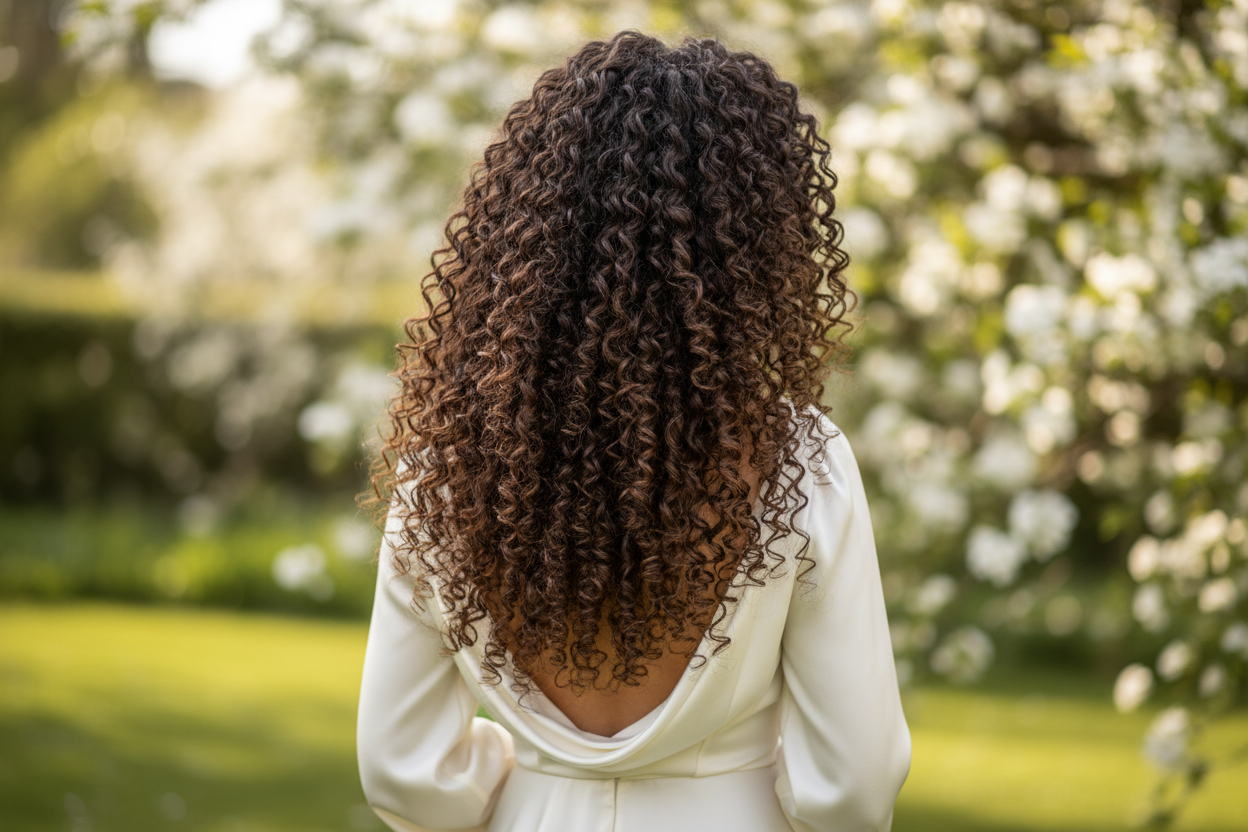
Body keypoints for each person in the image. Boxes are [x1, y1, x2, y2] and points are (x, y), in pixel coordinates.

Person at [355, 29, 911, 832]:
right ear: (753, 243)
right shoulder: (800, 462)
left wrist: (518, 775)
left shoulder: (448, 468)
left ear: (527, 233)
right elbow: (854, 786)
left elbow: (398, 770)